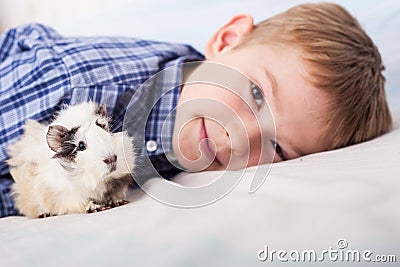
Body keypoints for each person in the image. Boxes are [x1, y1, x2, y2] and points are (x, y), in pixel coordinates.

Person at [0, 2, 392, 217]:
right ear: (227, 39)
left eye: (276, 148)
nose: (242, 137)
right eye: (256, 93)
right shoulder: (80, 87)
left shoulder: (179, 148)